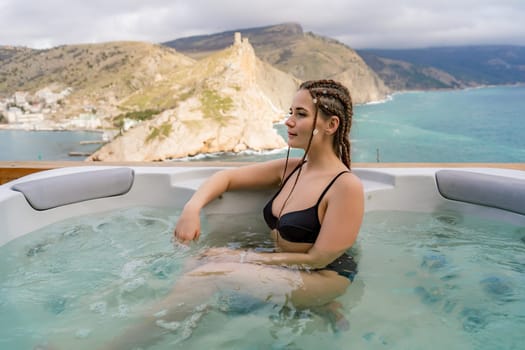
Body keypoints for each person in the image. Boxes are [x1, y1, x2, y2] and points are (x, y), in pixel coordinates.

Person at [95, 79, 364, 349]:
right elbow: (226, 177)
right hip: (286, 265)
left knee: (209, 275)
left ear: (331, 125)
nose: (289, 121)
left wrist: (242, 257)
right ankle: (177, 332)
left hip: (322, 276)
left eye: (301, 114)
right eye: (291, 112)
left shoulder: (345, 186)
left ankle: (119, 345)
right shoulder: (292, 168)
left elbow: (318, 259)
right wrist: (192, 208)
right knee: (196, 264)